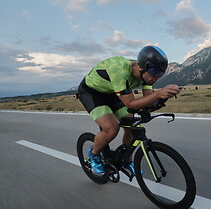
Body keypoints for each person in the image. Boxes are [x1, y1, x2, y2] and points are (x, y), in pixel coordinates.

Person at [77, 46, 180, 175]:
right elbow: (131, 104)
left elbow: (148, 99)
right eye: (154, 72)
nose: (156, 77)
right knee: (111, 128)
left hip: (112, 92)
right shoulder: (120, 70)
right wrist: (159, 93)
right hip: (92, 93)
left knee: (133, 125)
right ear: (142, 67)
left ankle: (126, 160)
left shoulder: (147, 74)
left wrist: (164, 97)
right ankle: (94, 154)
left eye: (160, 73)